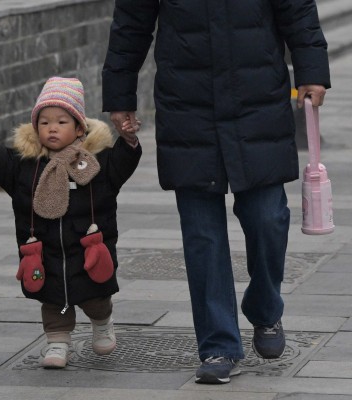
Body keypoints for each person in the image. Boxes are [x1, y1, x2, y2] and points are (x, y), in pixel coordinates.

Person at [102, 0, 330, 384]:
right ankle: (218, 344)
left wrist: (312, 71)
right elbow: (130, 22)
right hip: (187, 105)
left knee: (269, 218)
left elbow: (297, 9)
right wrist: (120, 94)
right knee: (202, 235)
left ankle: (265, 306)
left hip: (257, 100)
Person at [0, 77, 141, 368]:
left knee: (95, 296)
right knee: (52, 300)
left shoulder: (96, 163)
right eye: (44, 123)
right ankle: (57, 342)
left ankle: (102, 321)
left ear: (79, 127)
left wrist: (130, 141)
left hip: (88, 248)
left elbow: (123, 163)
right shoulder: (26, 165)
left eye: (61, 121)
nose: (52, 128)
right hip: (45, 250)